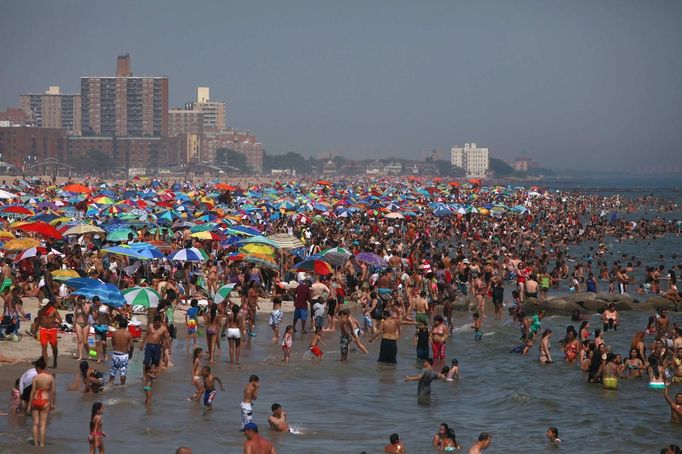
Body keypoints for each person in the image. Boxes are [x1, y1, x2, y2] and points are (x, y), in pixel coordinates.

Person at [28, 359, 55, 447]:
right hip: (45, 401)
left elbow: (32, 392)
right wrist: (52, 403)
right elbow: (53, 392)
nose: (35, 370)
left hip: (35, 400)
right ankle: (42, 444)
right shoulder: (50, 377)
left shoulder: (35, 377)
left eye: (36, 368)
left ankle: (36, 444)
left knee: (35, 423)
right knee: (43, 424)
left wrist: (29, 406)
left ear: (39, 368)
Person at [37, 298, 62, 368]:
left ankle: (55, 360)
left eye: (45, 305)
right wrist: (35, 330)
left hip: (52, 330)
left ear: (49, 304)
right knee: (44, 348)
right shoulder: (40, 312)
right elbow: (38, 321)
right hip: (43, 330)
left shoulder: (54, 311)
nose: (44, 307)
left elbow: (60, 320)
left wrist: (56, 325)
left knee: (54, 347)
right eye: (43, 305)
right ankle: (45, 364)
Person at [109, 317, 132, 386]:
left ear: (119, 325)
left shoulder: (114, 333)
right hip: (124, 355)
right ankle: (122, 386)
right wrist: (131, 353)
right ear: (126, 326)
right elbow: (131, 346)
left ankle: (110, 384)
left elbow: (112, 343)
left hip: (115, 354)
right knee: (123, 371)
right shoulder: (128, 334)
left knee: (113, 370)